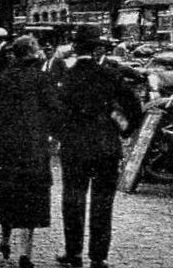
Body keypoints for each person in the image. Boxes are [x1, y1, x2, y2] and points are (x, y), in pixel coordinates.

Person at [53, 26, 142, 268]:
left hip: (74, 148)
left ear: (75, 47)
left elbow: (53, 113)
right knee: (103, 202)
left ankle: (73, 253)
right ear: (97, 48)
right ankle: (98, 256)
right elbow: (134, 106)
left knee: (73, 200)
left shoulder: (65, 77)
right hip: (106, 147)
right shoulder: (110, 75)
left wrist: (62, 134)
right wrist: (124, 130)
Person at [0, 35, 62, 268]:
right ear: (32, 52)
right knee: (31, 199)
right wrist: (56, 135)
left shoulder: (2, 80)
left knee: (8, 194)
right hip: (33, 148)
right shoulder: (42, 79)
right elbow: (55, 111)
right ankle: (24, 253)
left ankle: (5, 237)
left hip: (6, 148)